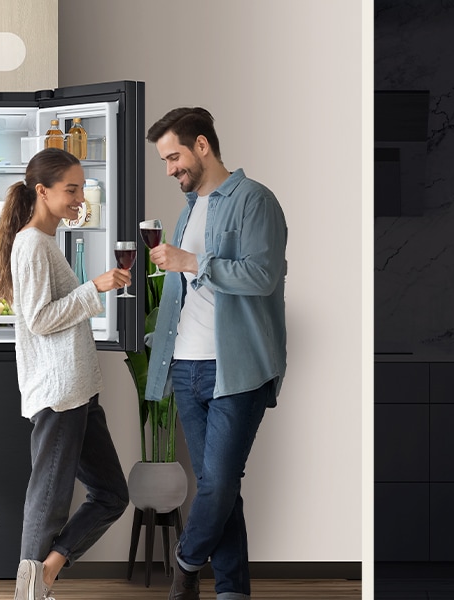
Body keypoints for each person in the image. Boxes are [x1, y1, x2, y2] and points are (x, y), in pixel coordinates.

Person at [143, 107, 288, 600]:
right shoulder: (189, 211)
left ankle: (185, 563)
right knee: (219, 489)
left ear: (202, 145)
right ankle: (232, 592)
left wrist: (191, 261)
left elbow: (262, 276)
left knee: (219, 483)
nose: (170, 170)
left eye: (174, 157)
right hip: (186, 367)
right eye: (164, 161)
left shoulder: (255, 200)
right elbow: (187, 294)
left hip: (236, 367)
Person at [0, 147, 132, 600]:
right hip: (58, 392)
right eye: (71, 190)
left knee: (111, 494)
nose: (79, 199)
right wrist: (96, 288)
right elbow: (38, 319)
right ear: (43, 191)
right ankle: (29, 593)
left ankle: (47, 572)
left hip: (79, 390)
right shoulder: (32, 242)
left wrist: (94, 291)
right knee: (48, 500)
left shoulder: (47, 241)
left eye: (81, 189)